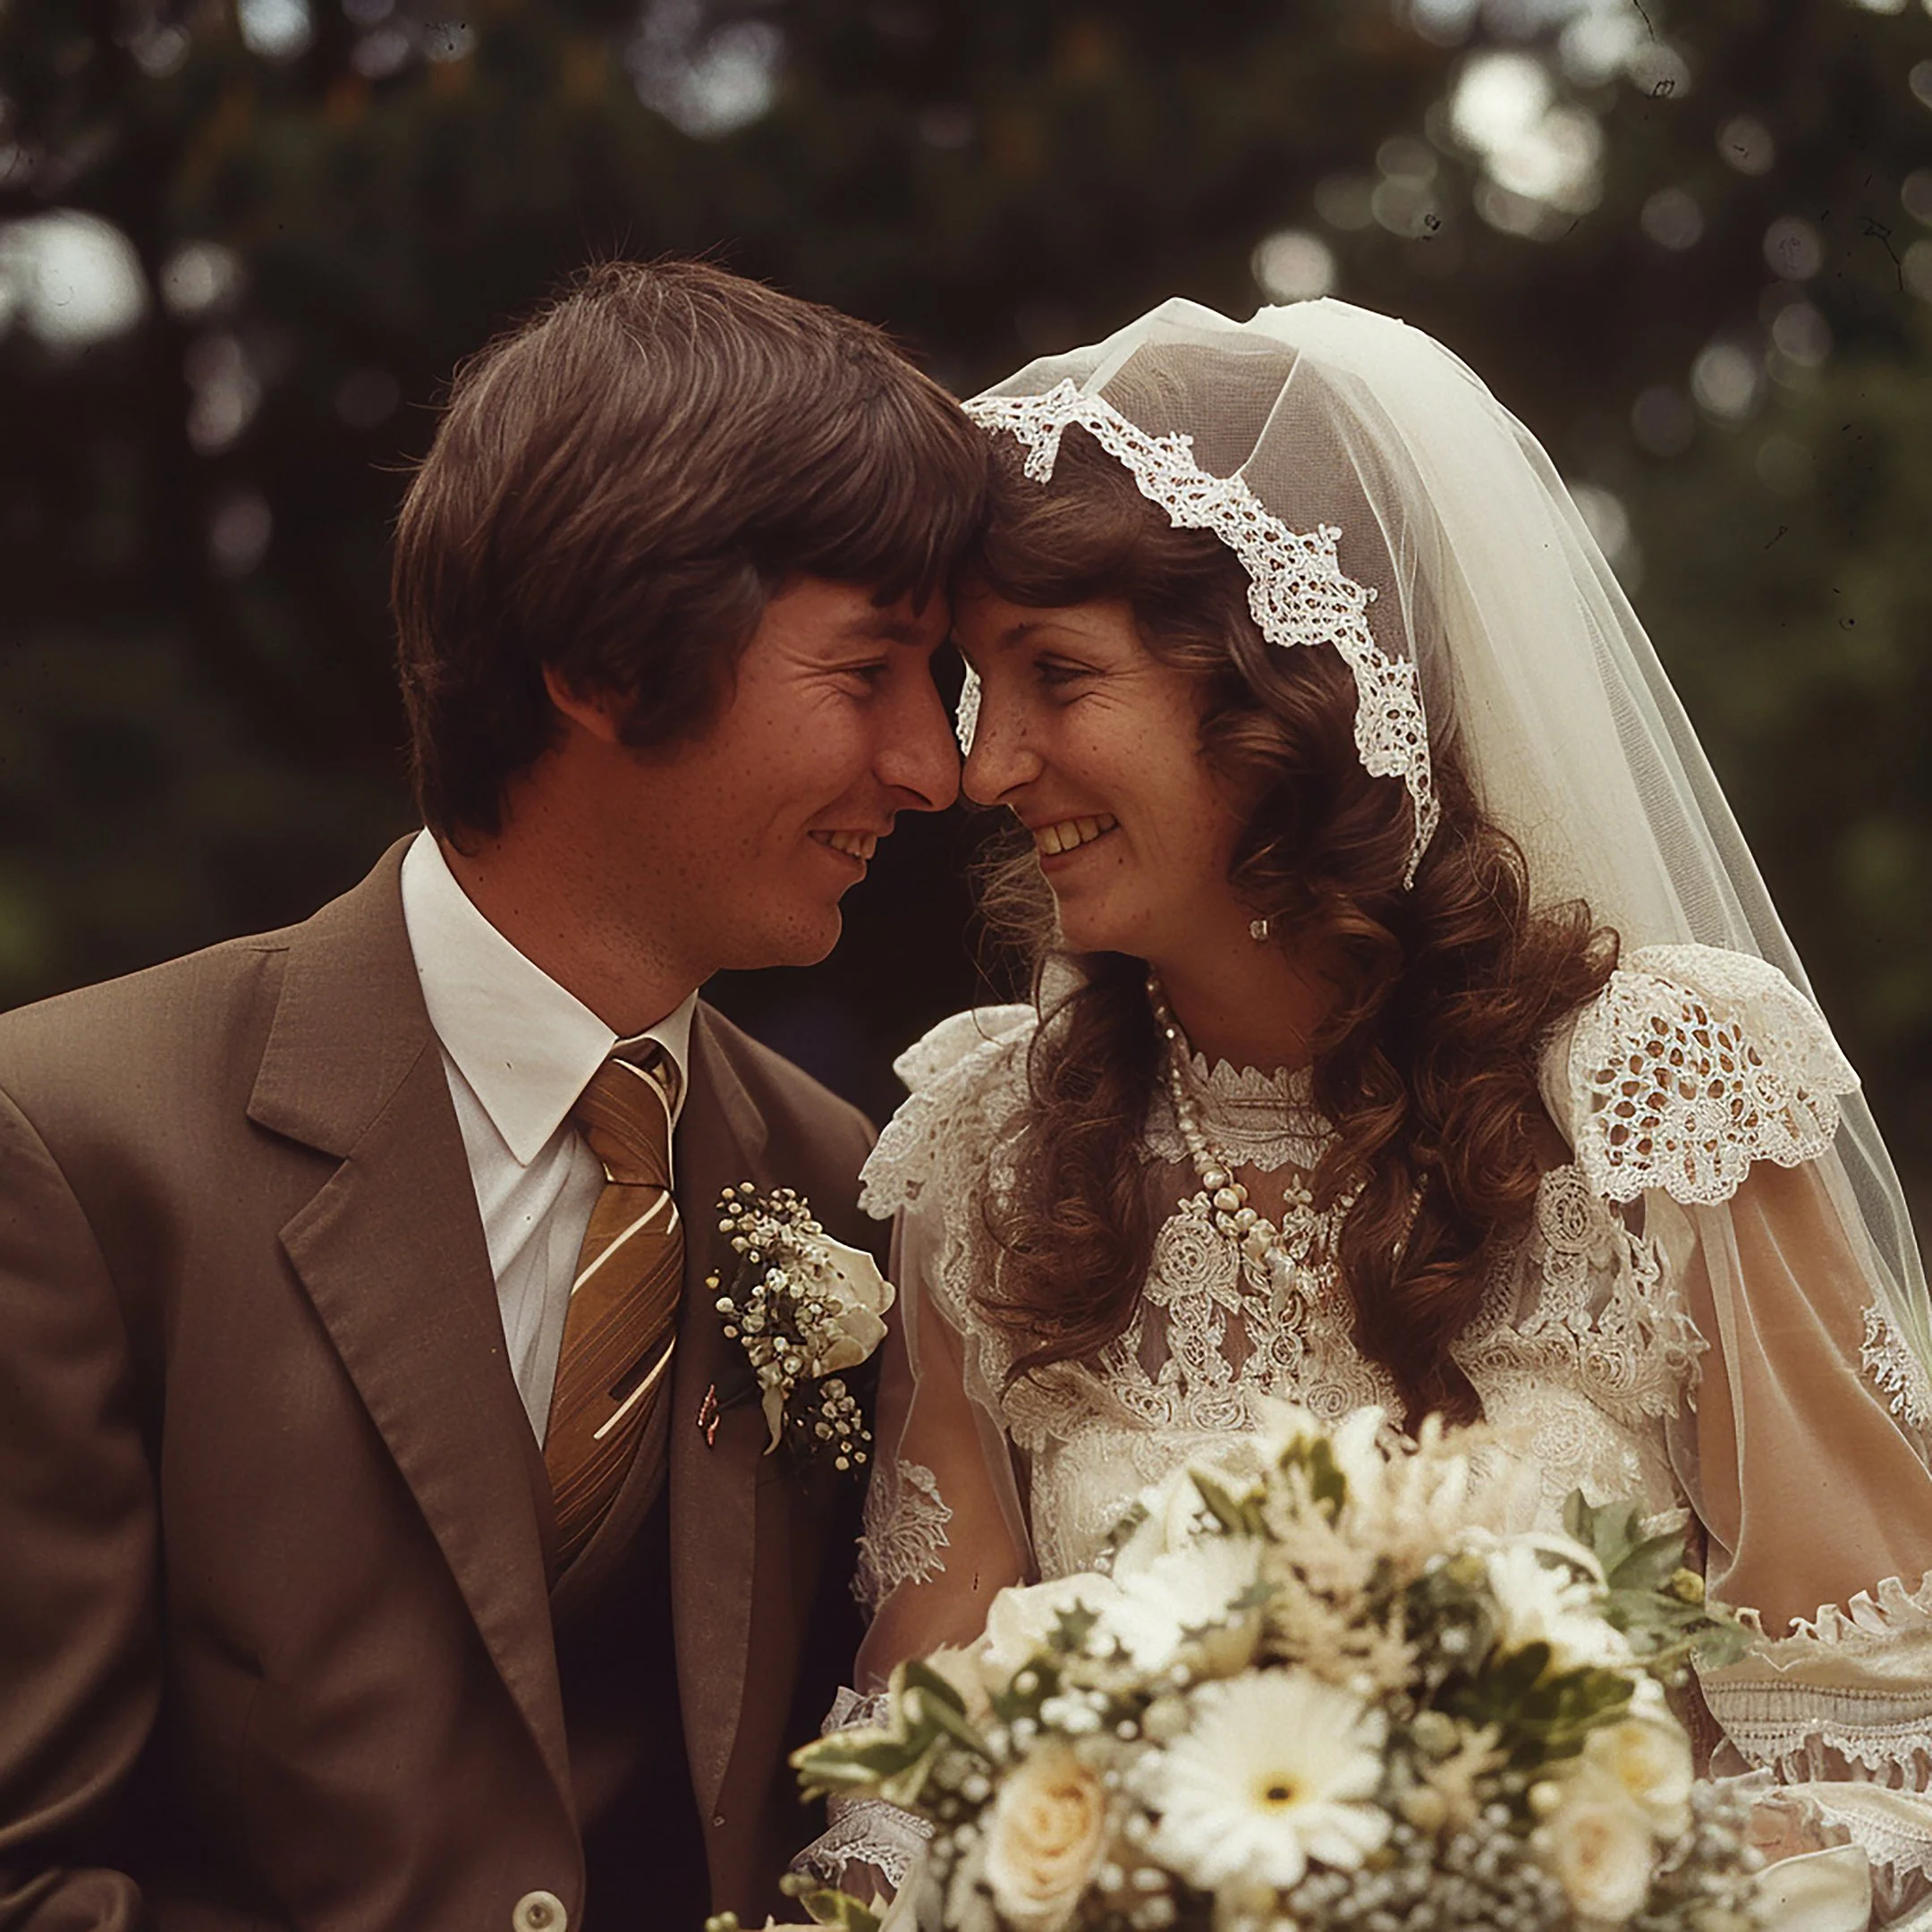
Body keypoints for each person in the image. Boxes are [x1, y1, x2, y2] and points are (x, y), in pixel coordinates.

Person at [828, 299, 1932, 1923]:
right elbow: (902, 1790)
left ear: (1285, 697)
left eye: (1056, 676)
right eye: (977, 685)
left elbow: (1876, 1734)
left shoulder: (1651, 1090)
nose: (990, 766)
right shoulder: (986, 1154)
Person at [0, 259, 983, 1930]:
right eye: (868, 672)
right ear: (602, 662)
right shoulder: (76, 1145)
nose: (935, 768)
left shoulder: (850, 1189)